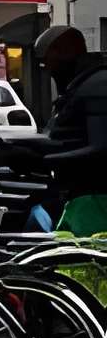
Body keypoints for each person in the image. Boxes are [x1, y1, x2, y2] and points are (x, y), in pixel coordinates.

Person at [31, 26, 107, 230]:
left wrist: (42, 160)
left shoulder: (97, 86)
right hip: (79, 197)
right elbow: (68, 139)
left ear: (65, 52)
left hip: (94, 201)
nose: (47, 69)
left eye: (47, 61)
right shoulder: (80, 86)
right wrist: (33, 148)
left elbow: (102, 148)